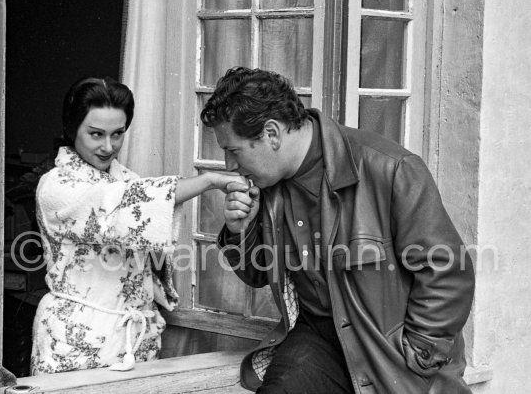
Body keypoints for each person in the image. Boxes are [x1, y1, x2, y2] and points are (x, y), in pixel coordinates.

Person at [200, 67, 476, 393]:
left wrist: (420, 353)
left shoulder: (391, 168)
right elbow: (258, 274)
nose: (230, 166)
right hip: (318, 337)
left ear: (271, 133)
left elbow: (448, 271)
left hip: (387, 346)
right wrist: (239, 230)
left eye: (233, 150)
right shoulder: (266, 185)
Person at [31, 76, 246, 374]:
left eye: (117, 134)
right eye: (96, 134)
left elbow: (146, 239)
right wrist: (208, 180)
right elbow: (114, 207)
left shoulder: (128, 180)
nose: (108, 146)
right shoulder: (56, 187)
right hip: (74, 339)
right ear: (72, 130)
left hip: (133, 338)